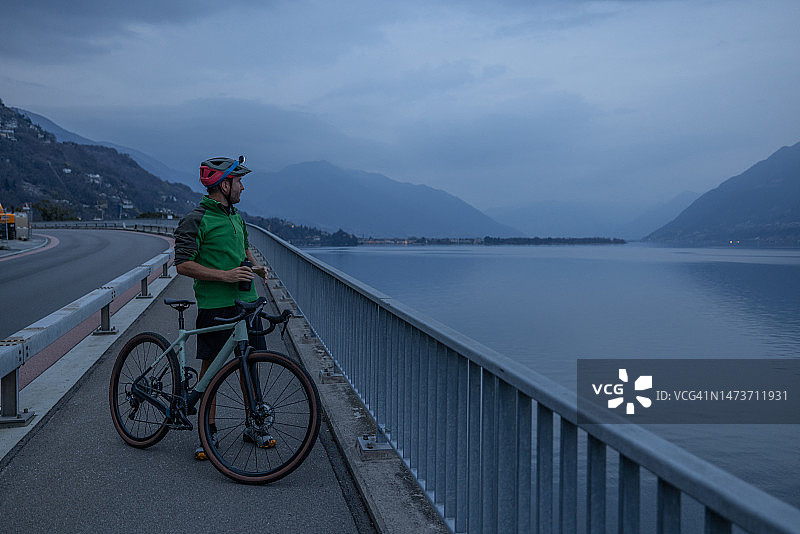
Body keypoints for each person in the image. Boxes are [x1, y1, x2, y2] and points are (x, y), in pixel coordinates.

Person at [174, 155, 270, 460]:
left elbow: (244, 249)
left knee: (249, 364)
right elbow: (183, 264)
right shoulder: (196, 219)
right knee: (211, 369)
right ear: (224, 185)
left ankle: (252, 425)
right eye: (238, 181)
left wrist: (256, 266)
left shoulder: (236, 217)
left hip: (247, 302)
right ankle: (208, 430)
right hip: (215, 305)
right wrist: (225, 276)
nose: (242, 187)